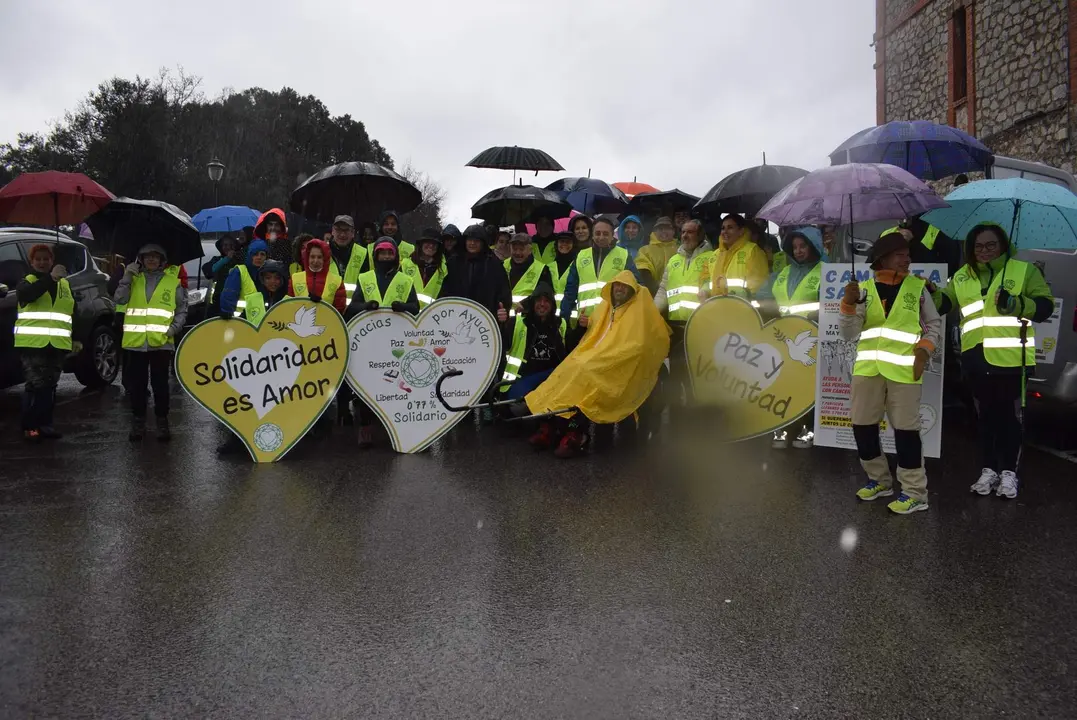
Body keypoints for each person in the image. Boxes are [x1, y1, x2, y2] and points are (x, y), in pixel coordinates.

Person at [932, 223, 1055, 499]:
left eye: (990, 245)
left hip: (1012, 360)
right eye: (978, 246)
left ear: (1002, 245)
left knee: (1009, 419)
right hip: (976, 360)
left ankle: (1009, 472)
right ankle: (988, 469)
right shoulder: (962, 276)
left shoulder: (1024, 271)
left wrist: (1016, 304)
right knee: (985, 418)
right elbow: (944, 304)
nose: (984, 251)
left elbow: (1045, 307)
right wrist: (931, 293)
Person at [840, 232, 942, 515]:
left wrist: (924, 351)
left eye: (908, 254)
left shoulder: (918, 288)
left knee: (907, 433)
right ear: (882, 258)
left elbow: (933, 325)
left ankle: (914, 493)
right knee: (862, 427)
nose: (906, 258)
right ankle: (879, 481)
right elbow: (849, 334)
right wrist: (849, 305)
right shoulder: (862, 290)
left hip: (905, 371)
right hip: (867, 370)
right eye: (900, 254)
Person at [521, 271, 670, 458]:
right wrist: (586, 325)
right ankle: (552, 420)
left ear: (632, 290)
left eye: (625, 286)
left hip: (618, 365)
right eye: (617, 285)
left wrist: (612, 356)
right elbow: (596, 335)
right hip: (594, 358)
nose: (620, 289)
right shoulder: (605, 308)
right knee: (568, 369)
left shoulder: (639, 312)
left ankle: (575, 430)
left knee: (584, 374)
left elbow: (642, 343)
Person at [757, 226, 828, 449]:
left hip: (813, 339)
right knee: (784, 385)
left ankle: (808, 429)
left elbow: (832, 306)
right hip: (783, 339)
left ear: (814, 246)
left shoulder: (827, 272)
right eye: (794, 247)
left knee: (808, 388)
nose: (798, 251)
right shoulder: (782, 274)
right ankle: (785, 426)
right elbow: (764, 299)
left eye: (803, 246)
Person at [345, 240, 420, 447]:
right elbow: (352, 307)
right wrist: (365, 306)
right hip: (371, 342)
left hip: (398, 342)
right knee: (367, 385)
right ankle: (366, 428)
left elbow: (416, 307)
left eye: (389, 253)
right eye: (382, 253)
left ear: (395, 255)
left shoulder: (405, 279)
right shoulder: (365, 277)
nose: (386, 256)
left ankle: (399, 426)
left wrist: (403, 306)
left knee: (398, 384)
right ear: (376, 255)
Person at [114, 244, 188, 442]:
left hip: (160, 343)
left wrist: (173, 329)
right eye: (147, 257)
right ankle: (138, 422)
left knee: (160, 385)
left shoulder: (173, 282)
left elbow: (182, 310)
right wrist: (126, 277)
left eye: (156, 257)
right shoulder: (133, 279)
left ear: (162, 261)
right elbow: (119, 300)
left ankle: (162, 421)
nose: (152, 260)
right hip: (135, 343)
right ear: (141, 259)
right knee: (137, 386)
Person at [216, 260, 290, 455]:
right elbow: (242, 325)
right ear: (261, 279)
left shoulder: (290, 301)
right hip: (256, 364)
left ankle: (282, 439)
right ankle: (239, 439)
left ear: (283, 280)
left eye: (276, 278)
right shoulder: (253, 300)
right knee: (248, 404)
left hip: (282, 364)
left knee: (279, 404)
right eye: (267, 278)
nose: (272, 282)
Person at [497, 282, 568, 446]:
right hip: (524, 377)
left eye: (546, 301)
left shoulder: (561, 325)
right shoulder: (518, 322)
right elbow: (502, 345)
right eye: (538, 301)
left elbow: (571, 351)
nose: (542, 304)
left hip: (551, 377)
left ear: (552, 305)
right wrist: (502, 324)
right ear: (533, 303)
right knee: (516, 407)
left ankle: (546, 424)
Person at [14, 244, 72, 441]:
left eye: (46, 259)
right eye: (38, 259)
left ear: (52, 260)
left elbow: (70, 311)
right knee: (37, 386)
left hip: (56, 344)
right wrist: (51, 278)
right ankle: (30, 427)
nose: (42, 262)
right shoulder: (26, 281)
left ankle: (45, 425)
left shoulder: (64, 284)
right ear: (32, 262)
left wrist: (77, 338)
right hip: (33, 344)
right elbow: (27, 295)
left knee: (50, 386)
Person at [654, 219, 712, 411]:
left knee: (696, 376)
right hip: (676, 327)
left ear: (700, 235)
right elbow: (663, 289)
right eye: (683, 232)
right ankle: (678, 416)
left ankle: (697, 416)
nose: (686, 236)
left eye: (691, 232)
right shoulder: (674, 260)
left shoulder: (711, 258)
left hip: (700, 327)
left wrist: (707, 291)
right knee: (676, 375)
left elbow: (712, 285)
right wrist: (652, 312)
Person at [559, 217, 639, 327]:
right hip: (584, 323)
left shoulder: (623, 255)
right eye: (597, 233)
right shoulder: (581, 256)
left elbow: (636, 286)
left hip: (612, 323)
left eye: (606, 234)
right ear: (592, 235)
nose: (601, 237)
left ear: (612, 236)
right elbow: (570, 291)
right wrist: (562, 320)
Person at [441, 224, 512, 317]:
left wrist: (504, 311)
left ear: (483, 242)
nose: (472, 243)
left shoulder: (494, 264)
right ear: (465, 241)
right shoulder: (453, 263)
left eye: (476, 240)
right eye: (470, 240)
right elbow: (445, 291)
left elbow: (504, 293)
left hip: (485, 319)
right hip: (456, 316)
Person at [700, 213, 770, 301]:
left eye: (730, 227)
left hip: (742, 309)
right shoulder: (714, 255)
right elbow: (706, 279)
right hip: (716, 308)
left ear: (741, 231)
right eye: (723, 228)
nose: (725, 231)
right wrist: (704, 290)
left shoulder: (752, 251)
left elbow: (759, 283)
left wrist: (740, 295)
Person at [288, 237, 347, 312]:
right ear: (307, 258)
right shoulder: (295, 279)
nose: (315, 261)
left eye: (319, 257)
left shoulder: (337, 281)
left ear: (325, 259)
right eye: (312, 257)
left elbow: (340, 310)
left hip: (327, 322)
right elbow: (289, 306)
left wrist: (321, 305)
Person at [326, 214, 371, 308]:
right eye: (338, 230)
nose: (342, 234)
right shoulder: (322, 251)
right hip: (327, 308)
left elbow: (366, 284)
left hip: (353, 312)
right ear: (333, 231)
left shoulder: (363, 253)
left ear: (353, 233)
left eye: (346, 230)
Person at [505, 233, 553, 317]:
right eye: (514, 249)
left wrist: (525, 303)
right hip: (504, 319)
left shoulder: (542, 269)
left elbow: (545, 294)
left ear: (530, 250)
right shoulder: (503, 265)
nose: (517, 253)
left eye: (521, 249)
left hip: (527, 318)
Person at [218, 239, 268, 319]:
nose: (259, 257)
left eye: (262, 254)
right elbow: (229, 294)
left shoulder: (267, 274)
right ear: (249, 255)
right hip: (240, 322)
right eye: (255, 254)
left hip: (260, 322)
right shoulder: (239, 271)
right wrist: (227, 313)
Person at [402, 228, 447, 308]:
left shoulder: (443, 269)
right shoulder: (405, 264)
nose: (431, 246)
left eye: (435, 243)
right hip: (408, 315)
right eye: (428, 242)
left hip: (432, 315)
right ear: (421, 244)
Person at [635, 216, 679, 296]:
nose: (664, 231)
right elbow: (644, 272)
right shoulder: (644, 250)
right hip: (653, 294)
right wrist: (656, 291)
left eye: (667, 228)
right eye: (660, 229)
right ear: (654, 231)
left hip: (677, 293)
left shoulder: (680, 249)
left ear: (673, 231)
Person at [548, 232, 578, 317]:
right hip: (550, 316)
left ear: (573, 245)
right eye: (561, 241)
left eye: (568, 242)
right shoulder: (548, 267)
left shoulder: (577, 267)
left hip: (571, 317)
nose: (564, 244)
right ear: (556, 244)